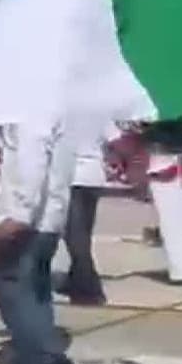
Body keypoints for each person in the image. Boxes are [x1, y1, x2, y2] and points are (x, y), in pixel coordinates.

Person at [0, 119, 80, 364]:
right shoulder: (59, 105)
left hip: (26, 219)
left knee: (12, 289)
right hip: (49, 216)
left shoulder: (31, 112)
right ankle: (46, 358)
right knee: (36, 291)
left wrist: (16, 217)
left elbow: (29, 162)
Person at [58, 129, 115, 306]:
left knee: (75, 234)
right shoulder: (99, 107)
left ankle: (89, 288)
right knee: (83, 231)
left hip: (71, 173)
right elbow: (113, 137)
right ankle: (75, 278)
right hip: (93, 173)